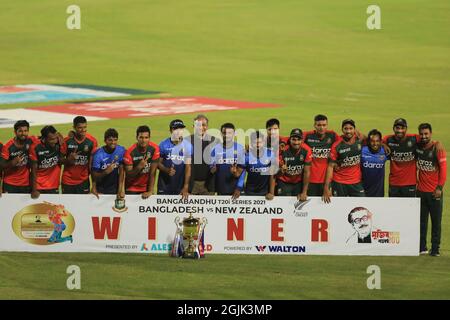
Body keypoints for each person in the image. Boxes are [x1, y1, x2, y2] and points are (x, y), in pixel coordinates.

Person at [416, 123, 447, 257]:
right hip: (421, 192)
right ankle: (422, 247)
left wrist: (439, 188)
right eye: (421, 134)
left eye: (426, 134)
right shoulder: (418, 147)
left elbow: (444, 170)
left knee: (436, 222)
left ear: (431, 134)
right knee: (421, 222)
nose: (424, 136)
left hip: (435, 192)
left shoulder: (437, 148)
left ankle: (435, 249)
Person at [322, 119, 365, 203]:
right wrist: (326, 188)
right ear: (342, 130)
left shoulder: (359, 140)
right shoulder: (337, 145)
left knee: (361, 204)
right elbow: (330, 167)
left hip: (356, 182)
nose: (348, 131)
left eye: (351, 128)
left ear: (354, 129)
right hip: (339, 182)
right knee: (339, 207)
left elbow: (372, 140)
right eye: (346, 128)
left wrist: (383, 144)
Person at [303, 114, 340, 196]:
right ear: (314, 125)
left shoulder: (332, 135)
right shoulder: (307, 136)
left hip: (327, 180)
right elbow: (293, 140)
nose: (321, 128)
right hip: (311, 180)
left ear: (327, 125)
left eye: (324, 125)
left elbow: (343, 144)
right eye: (319, 125)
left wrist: (338, 162)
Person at [60, 116, 98, 194]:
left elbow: (92, 166)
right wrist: (68, 160)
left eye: (85, 127)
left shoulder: (92, 141)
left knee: (83, 205)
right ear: (74, 127)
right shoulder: (67, 141)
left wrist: (94, 185)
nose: (83, 130)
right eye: (80, 128)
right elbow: (59, 160)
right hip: (67, 181)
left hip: (83, 181)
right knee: (67, 205)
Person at [383, 118, 420, 197]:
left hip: (410, 183)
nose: (400, 131)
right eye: (397, 128)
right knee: (394, 208)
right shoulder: (388, 139)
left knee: (409, 208)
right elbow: (376, 141)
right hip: (394, 183)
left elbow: (426, 139)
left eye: (402, 128)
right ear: (393, 129)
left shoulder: (414, 138)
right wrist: (383, 145)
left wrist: (436, 143)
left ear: (406, 129)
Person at [271, 128, 312, 200]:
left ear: (302, 140)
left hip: (298, 183)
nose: (296, 142)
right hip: (284, 182)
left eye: (298, 140)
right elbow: (274, 173)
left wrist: (304, 192)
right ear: (290, 140)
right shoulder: (282, 151)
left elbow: (307, 172)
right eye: (293, 139)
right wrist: (281, 171)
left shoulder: (306, 150)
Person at [157, 119, 192, 199]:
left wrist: (186, 186)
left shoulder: (188, 146)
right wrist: (166, 170)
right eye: (175, 129)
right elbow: (157, 163)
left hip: (180, 186)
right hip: (164, 186)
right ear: (170, 130)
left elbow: (188, 167)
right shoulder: (163, 144)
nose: (178, 131)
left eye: (180, 129)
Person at [0, 120, 37, 194]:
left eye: (25, 131)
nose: (23, 133)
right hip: (10, 184)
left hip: (26, 184)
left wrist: (58, 137)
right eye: (20, 131)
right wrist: (12, 162)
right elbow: (1, 166)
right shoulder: (8, 147)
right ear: (15, 132)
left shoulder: (31, 140)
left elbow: (45, 139)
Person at [123, 125, 160, 199]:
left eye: (146, 137)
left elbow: (153, 172)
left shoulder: (154, 149)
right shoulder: (130, 152)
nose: (143, 140)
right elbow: (129, 175)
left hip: (146, 188)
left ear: (149, 138)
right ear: (137, 137)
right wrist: (139, 167)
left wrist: (150, 191)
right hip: (131, 188)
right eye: (141, 137)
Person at [209, 123, 245, 198]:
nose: (227, 135)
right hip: (220, 188)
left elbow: (243, 171)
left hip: (236, 190)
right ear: (221, 134)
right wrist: (213, 169)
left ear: (234, 134)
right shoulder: (215, 149)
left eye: (229, 133)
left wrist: (238, 187)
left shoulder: (240, 149)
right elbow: (211, 168)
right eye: (224, 133)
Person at [239, 131, 276, 198]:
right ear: (251, 143)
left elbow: (272, 175)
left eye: (260, 142)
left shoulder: (270, 154)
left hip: (265, 192)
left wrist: (271, 192)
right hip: (249, 192)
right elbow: (241, 174)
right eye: (255, 142)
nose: (258, 145)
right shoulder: (246, 156)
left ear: (264, 142)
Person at [187, 114, 217, 195]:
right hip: (191, 185)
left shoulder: (214, 141)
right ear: (193, 126)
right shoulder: (187, 141)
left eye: (204, 125)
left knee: (209, 208)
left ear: (207, 126)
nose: (201, 127)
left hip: (208, 185)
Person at [91, 128, 126, 199]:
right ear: (105, 141)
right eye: (110, 140)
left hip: (114, 188)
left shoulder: (121, 150)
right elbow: (94, 176)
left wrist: (120, 189)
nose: (113, 142)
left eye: (115, 140)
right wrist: (106, 172)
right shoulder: (98, 154)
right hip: (101, 189)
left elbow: (122, 171)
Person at [29, 126, 62, 198]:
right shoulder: (35, 147)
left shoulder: (59, 143)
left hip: (54, 185)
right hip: (39, 187)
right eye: (51, 139)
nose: (54, 141)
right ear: (44, 139)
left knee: (53, 208)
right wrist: (34, 189)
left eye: (55, 138)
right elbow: (33, 170)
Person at [361, 129, 387, 197]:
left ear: (381, 141)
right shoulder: (362, 151)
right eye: (372, 141)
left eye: (377, 141)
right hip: (363, 191)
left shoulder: (385, 151)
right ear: (368, 142)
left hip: (379, 192)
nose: (375, 144)